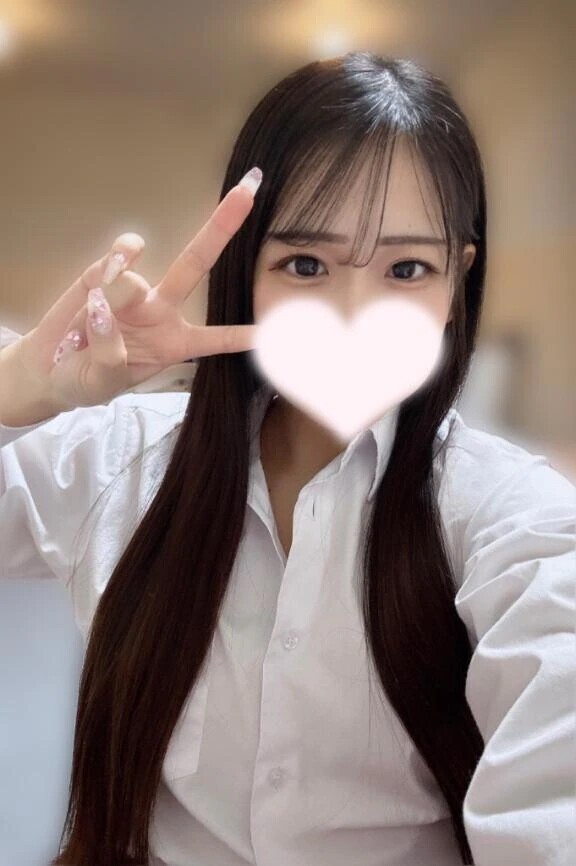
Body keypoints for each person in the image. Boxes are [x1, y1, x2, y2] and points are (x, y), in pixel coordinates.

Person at [0, 51, 574, 866]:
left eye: (407, 268)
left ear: (457, 281)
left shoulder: (510, 518)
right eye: (306, 265)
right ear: (247, 270)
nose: (352, 315)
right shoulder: (122, 462)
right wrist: (16, 389)